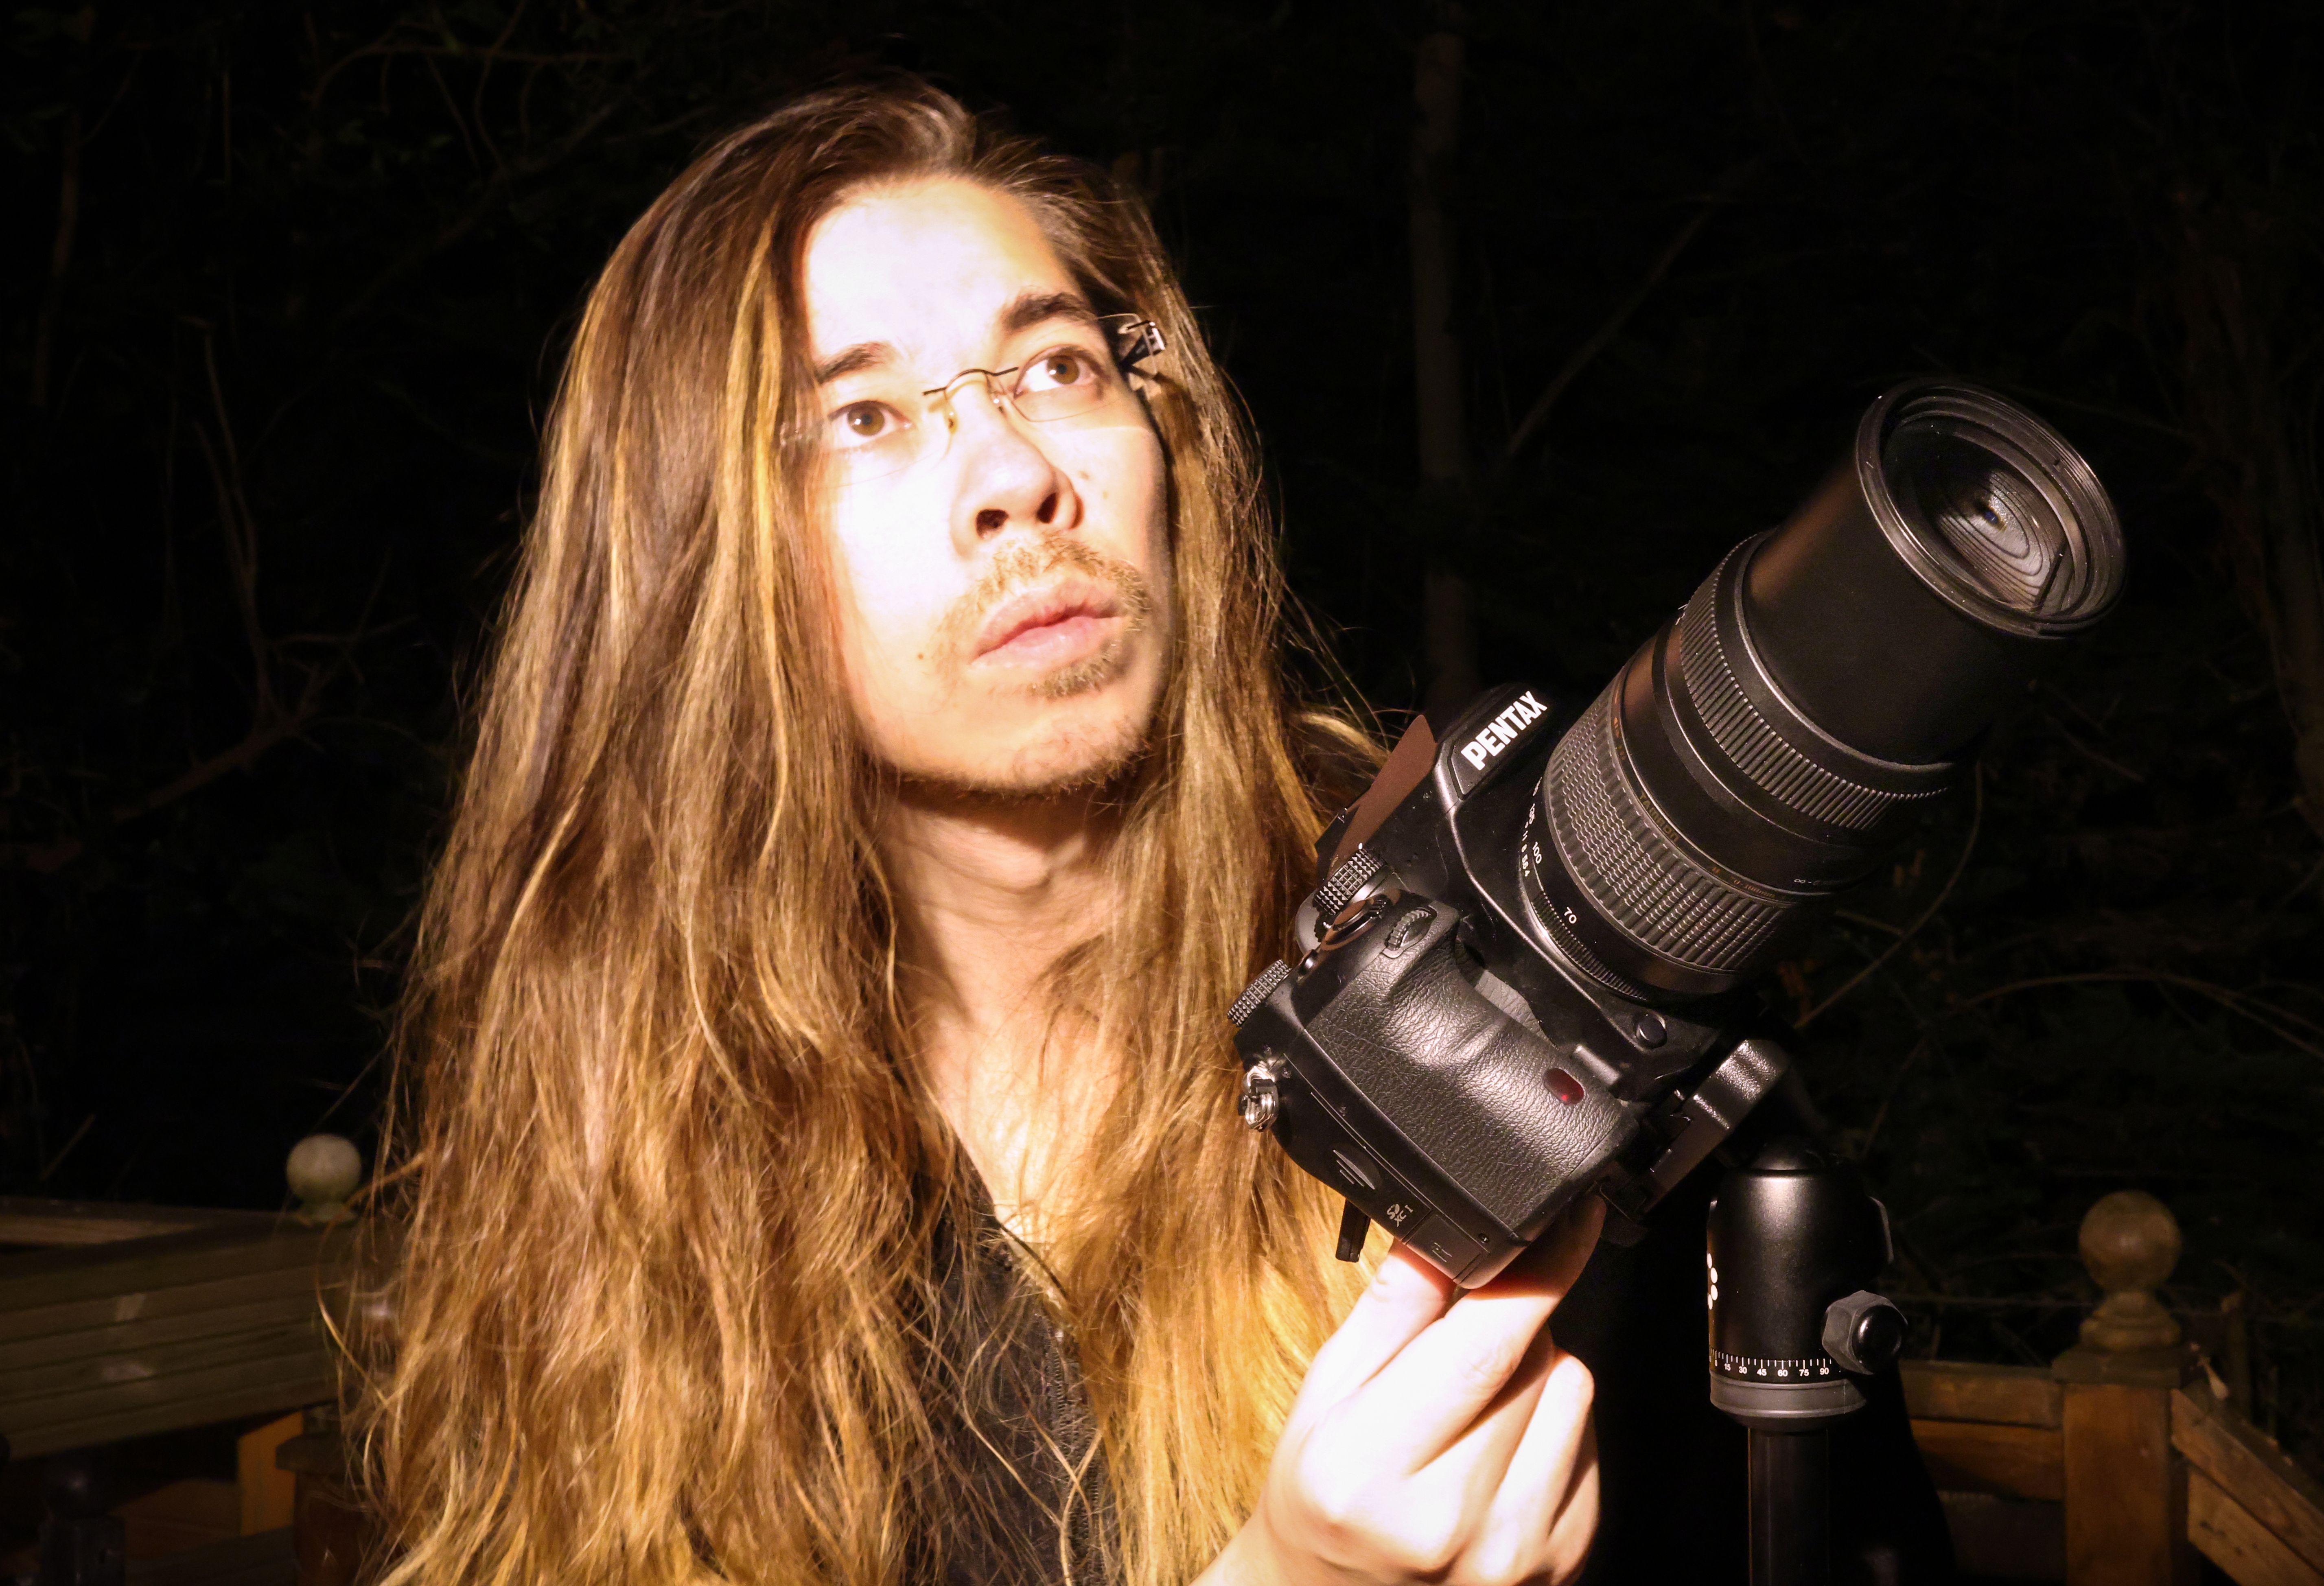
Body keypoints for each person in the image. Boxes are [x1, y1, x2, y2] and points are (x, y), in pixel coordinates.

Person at [363, 78, 1604, 1586]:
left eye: (1061, 367)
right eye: (864, 418)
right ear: (698, 563)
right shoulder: (627, 1108)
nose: (1019, 477)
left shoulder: (1496, 973)